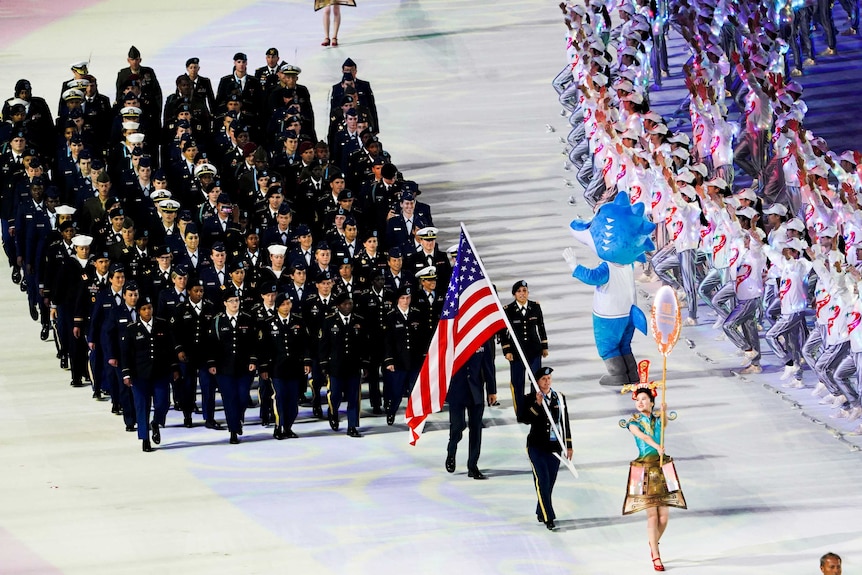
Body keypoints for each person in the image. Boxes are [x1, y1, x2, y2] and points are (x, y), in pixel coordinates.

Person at [622, 375, 687, 572]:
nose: (640, 403)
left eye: (644, 399)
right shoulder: (632, 422)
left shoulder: (658, 419)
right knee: (652, 515)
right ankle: (656, 556)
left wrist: (664, 412)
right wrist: (656, 446)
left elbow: (663, 426)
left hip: (662, 466)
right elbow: (642, 436)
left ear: (651, 402)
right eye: (638, 400)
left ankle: (653, 544)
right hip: (644, 468)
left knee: (664, 517)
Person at [522, 367, 572, 531]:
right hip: (537, 446)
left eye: (549, 378)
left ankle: (540, 510)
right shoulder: (530, 398)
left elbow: (565, 422)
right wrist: (537, 404)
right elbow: (524, 419)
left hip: (555, 447)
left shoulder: (559, 398)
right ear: (537, 382)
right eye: (543, 379)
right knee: (542, 480)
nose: (547, 381)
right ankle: (548, 517)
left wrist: (568, 445)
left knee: (549, 482)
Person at [445, 339, 497, 479]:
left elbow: (488, 365)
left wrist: (491, 390)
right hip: (456, 391)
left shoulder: (482, 339)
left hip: (476, 392)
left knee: (476, 429)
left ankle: (473, 466)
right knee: (457, 426)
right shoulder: (451, 338)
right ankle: (451, 451)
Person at [501, 280, 549, 421]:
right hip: (516, 353)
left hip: (534, 351)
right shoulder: (508, 310)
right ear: (514, 294)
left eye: (524, 290)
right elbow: (504, 333)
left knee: (536, 381)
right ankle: (521, 413)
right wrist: (507, 351)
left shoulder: (535, 307)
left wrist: (544, 346)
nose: (522, 294)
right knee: (518, 382)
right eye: (519, 291)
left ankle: (535, 410)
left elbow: (541, 326)